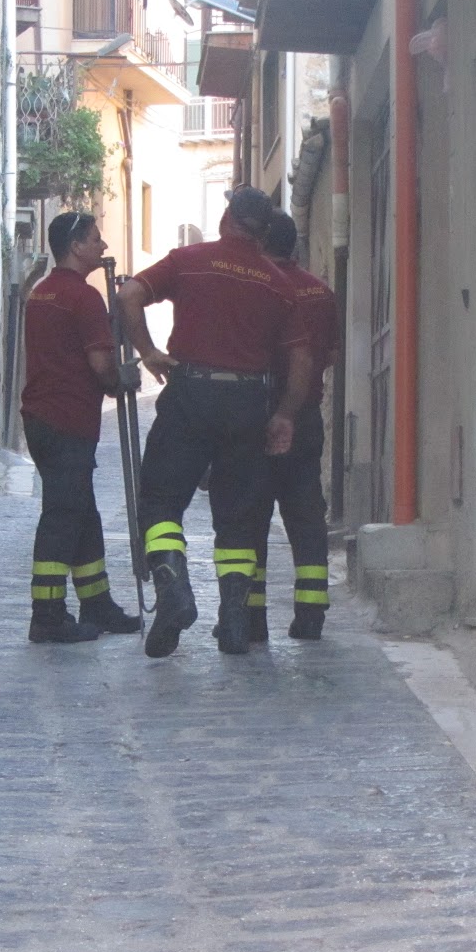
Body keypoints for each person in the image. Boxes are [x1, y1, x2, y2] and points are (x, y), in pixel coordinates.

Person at [117, 187, 313, 658]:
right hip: (249, 399)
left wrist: (147, 352)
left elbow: (129, 294)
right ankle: (234, 622)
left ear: (226, 217)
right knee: (240, 516)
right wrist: (285, 414)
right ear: (264, 232)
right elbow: (303, 359)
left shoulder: (190, 259)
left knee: (162, 499)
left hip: (191, 391)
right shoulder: (278, 284)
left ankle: (173, 586)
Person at [19, 211, 143, 643]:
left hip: (41, 418)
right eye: (95, 239)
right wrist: (119, 376)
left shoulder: (41, 293)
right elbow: (100, 366)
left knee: (82, 513)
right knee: (62, 518)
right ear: (75, 246)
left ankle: (97, 603)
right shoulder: (83, 299)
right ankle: (47, 614)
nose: (103, 246)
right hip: (69, 419)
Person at [246, 211, 341, 641]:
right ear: (296, 247)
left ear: (261, 245)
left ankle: (252, 616)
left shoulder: (257, 287)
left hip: (258, 414)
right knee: (306, 516)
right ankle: (311, 613)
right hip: (305, 417)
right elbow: (332, 353)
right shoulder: (320, 291)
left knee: (251, 514)